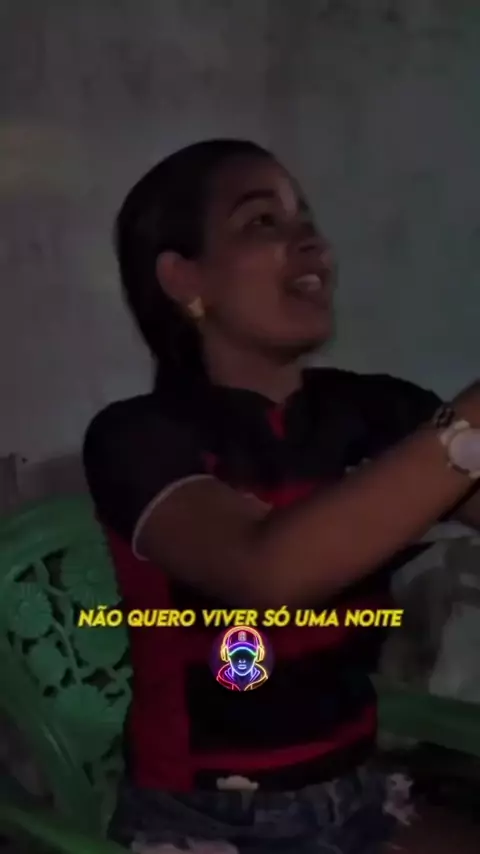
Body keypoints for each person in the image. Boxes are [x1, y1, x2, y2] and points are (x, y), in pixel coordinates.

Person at [83, 139, 480, 853]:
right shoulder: (137, 437)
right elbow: (269, 571)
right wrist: (462, 435)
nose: (313, 244)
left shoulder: (379, 411)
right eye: (263, 221)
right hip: (205, 820)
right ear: (183, 278)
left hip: (358, 792)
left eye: (309, 222)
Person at [215, 626, 269, 691]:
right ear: (226, 655)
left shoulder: (264, 681)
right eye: (237, 655)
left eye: (247, 654)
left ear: (258, 655)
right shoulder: (220, 680)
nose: (242, 660)